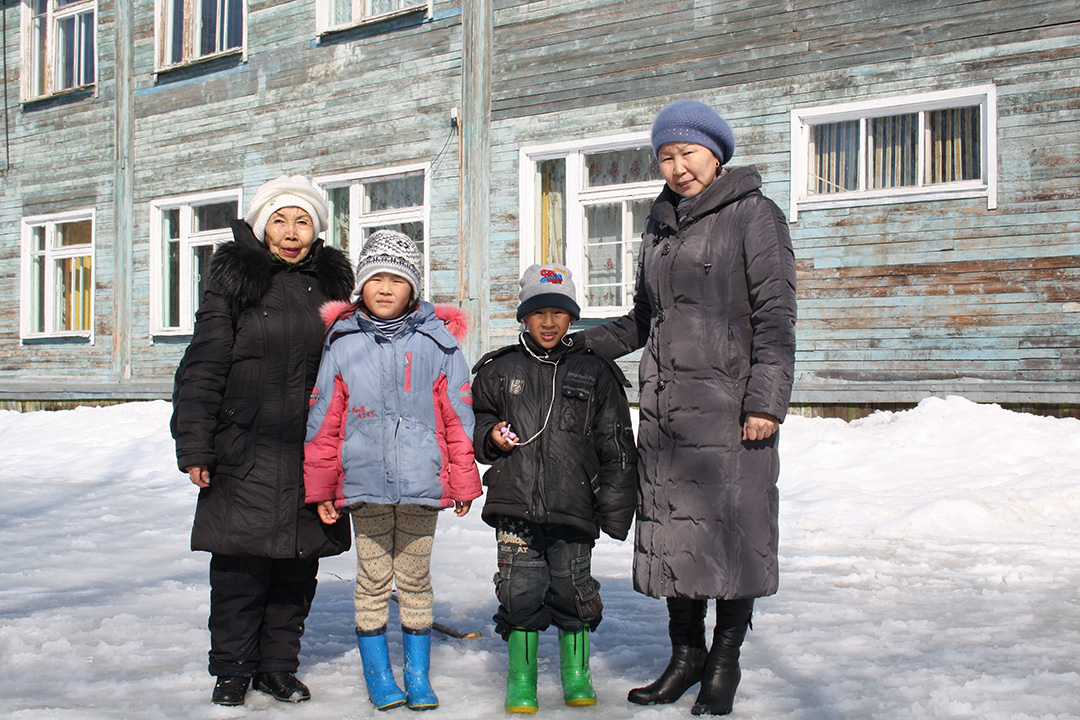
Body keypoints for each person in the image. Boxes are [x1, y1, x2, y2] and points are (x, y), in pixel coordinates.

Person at [582, 99, 797, 717]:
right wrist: (577, 344)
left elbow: (775, 318)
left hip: (732, 408)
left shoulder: (755, 216)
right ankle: (685, 657)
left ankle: (722, 663)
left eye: (688, 154)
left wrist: (766, 401)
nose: (678, 168)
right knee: (678, 534)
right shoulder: (659, 223)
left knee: (733, 535)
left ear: (717, 153)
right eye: (666, 157)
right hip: (668, 411)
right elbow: (645, 318)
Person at [170, 175, 356, 706]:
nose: (291, 232)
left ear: (316, 229)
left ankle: (277, 667)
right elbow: (203, 365)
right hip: (242, 446)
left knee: (297, 565)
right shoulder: (235, 280)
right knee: (238, 565)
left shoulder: (332, 288)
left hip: (311, 449)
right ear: (261, 225)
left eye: (302, 221)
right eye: (280, 220)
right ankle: (231, 669)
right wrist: (195, 443)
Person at [303, 230, 483, 712]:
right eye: (374, 278)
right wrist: (321, 487)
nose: (384, 288)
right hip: (364, 483)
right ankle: (380, 675)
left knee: (416, 579)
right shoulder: (342, 344)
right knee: (373, 579)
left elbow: (457, 417)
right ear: (360, 285)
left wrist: (464, 479)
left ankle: (418, 675)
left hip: (423, 482)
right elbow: (324, 420)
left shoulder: (437, 344)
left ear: (414, 289)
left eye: (397, 280)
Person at [471, 264, 638, 713]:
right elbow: (477, 422)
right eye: (539, 312)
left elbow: (617, 444)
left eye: (560, 312)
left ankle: (576, 674)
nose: (549, 322)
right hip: (515, 505)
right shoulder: (500, 369)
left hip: (574, 505)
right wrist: (489, 436)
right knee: (518, 592)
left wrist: (616, 509)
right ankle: (521, 680)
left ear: (573, 317)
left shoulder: (594, 371)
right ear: (523, 316)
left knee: (573, 590)